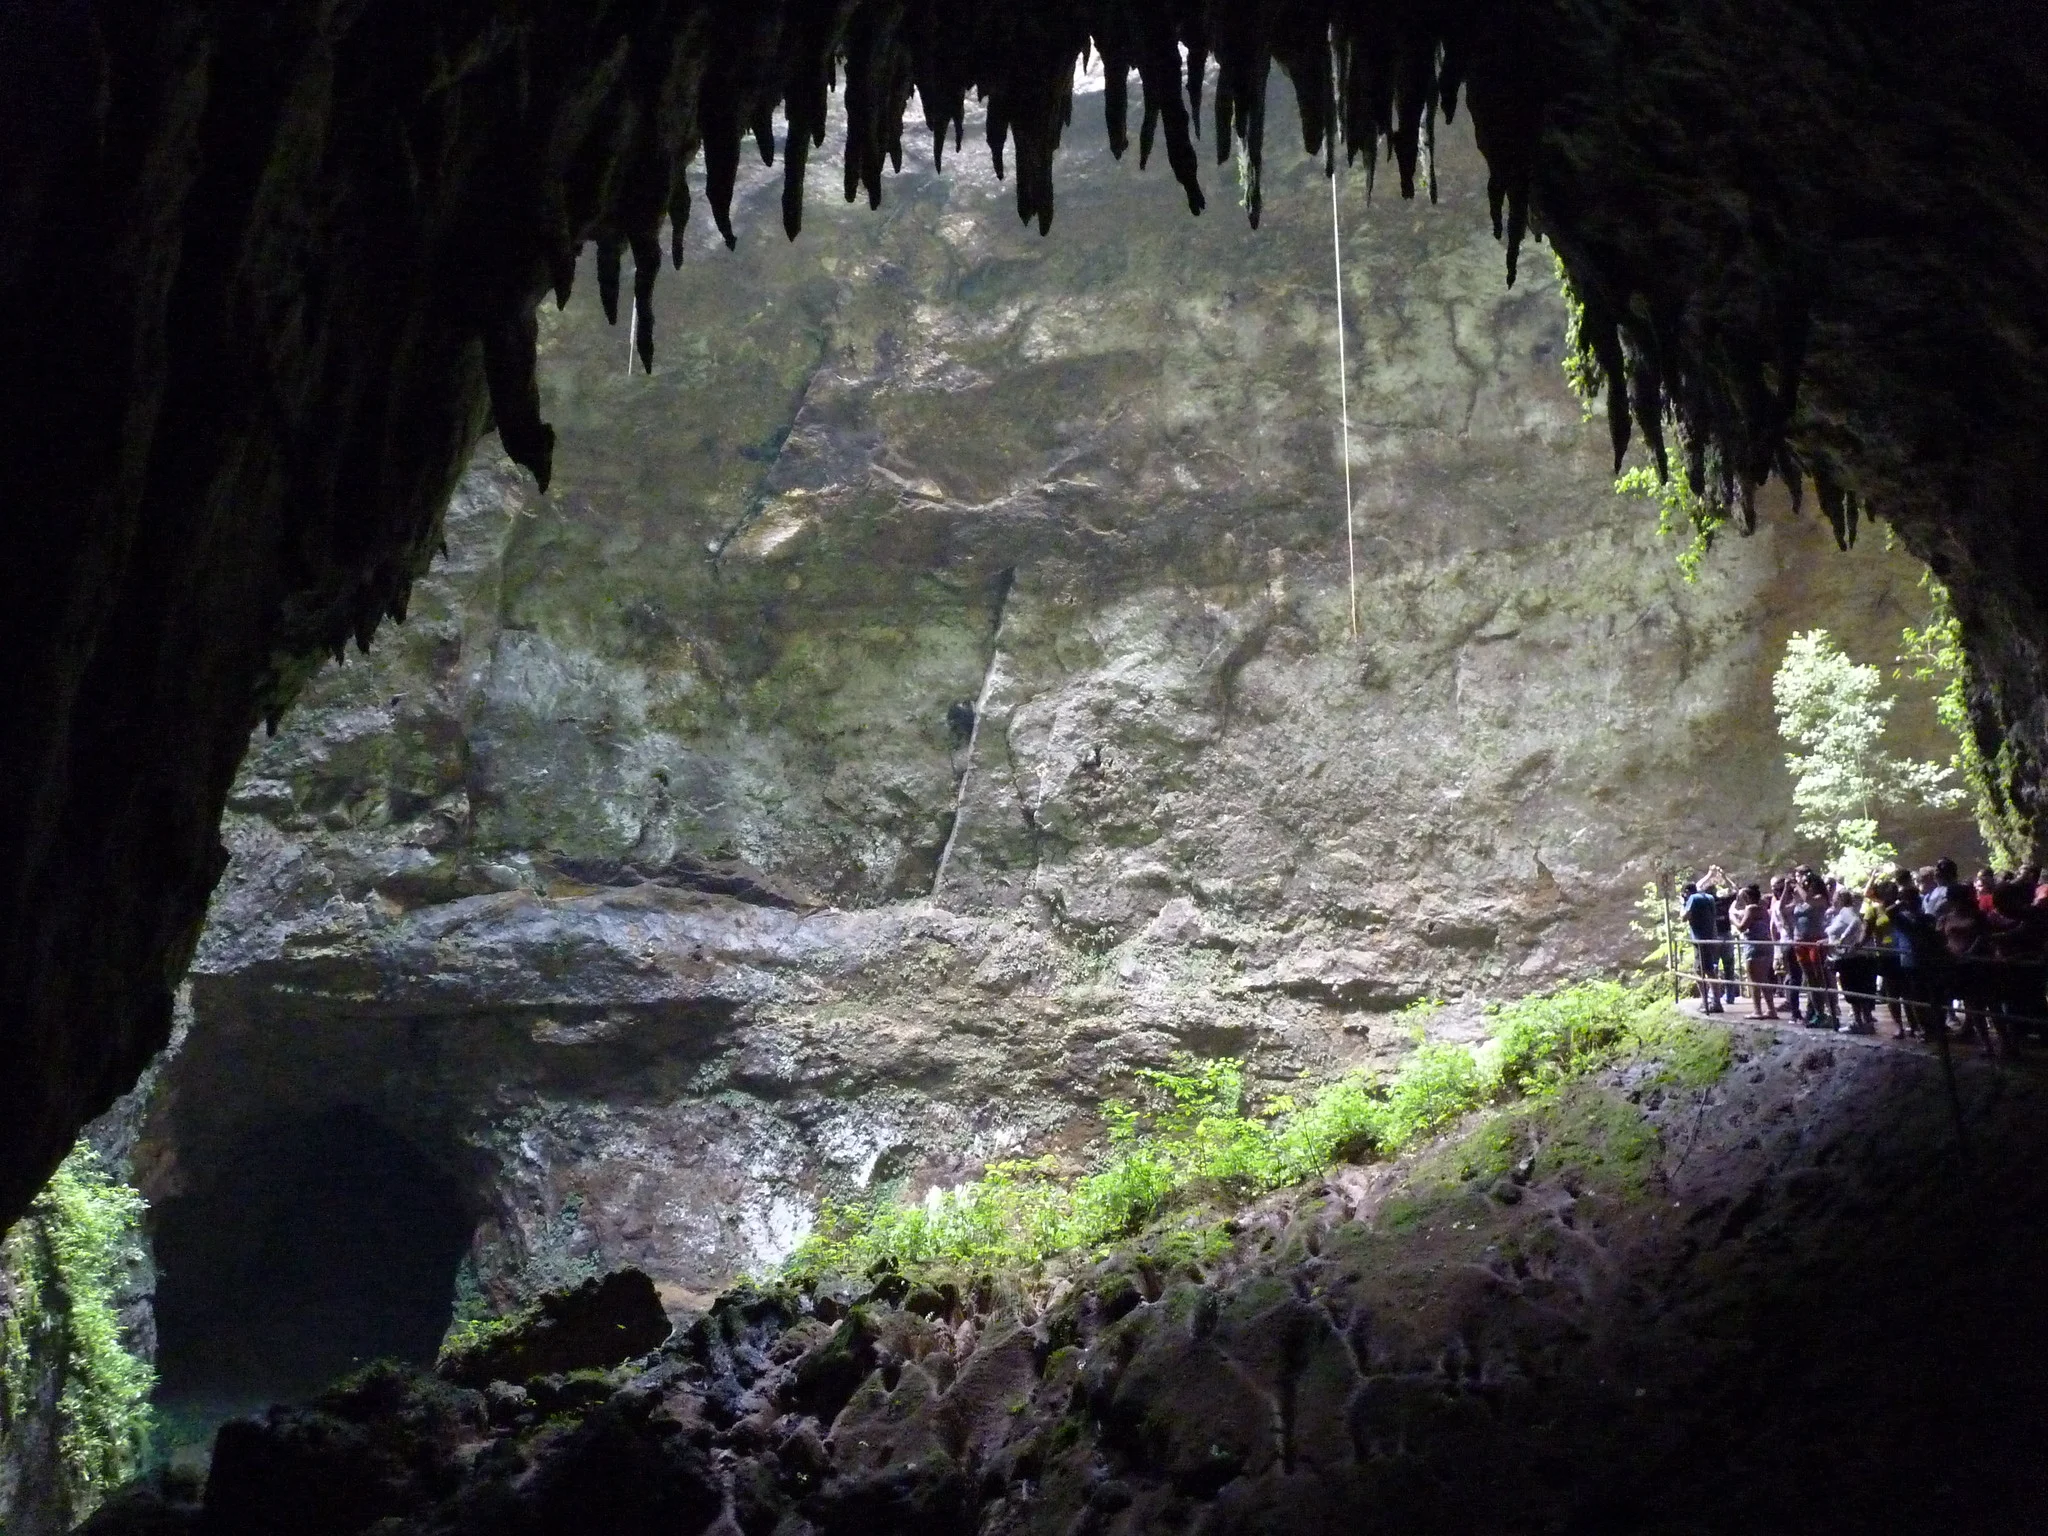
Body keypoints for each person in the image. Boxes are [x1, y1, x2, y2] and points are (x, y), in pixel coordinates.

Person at [1731, 883, 1779, 1019]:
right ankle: (1771, 1009)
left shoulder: (1751, 909)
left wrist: (1732, 918)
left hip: (1754, 946)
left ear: (1747, 897)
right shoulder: (1763, 908)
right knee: (1763, 979)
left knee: (1753, 979)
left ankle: (1757, 1010)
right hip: (1766, 945)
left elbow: (1742, 927)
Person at [1826, 889, 1871, 1034]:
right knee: (1852, 989)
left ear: (1838, 899)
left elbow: (1856, 922)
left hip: (1851, 958)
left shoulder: (1846, 911)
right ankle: (1861, 1021)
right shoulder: (1841, 913)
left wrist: (1842, 940)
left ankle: (1860, 1022)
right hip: (1845, 957)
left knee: (1854, 989)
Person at [1791, 877, 1831, 1026]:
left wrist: (1797, 885)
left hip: (1815, 940)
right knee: (1810, 980)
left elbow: (1809, 900)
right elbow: (1785, 910)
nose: (1805, 887)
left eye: (1808, 885)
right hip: (1800, 941)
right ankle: (1815, 1012)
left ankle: (1822, 1012)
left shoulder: (1820, 898)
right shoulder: (1801, 899)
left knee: (1818, 978)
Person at [1683, 880, 1724, 1014]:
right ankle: (1713, 1001)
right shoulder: (1709, 897)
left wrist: (1683, 904)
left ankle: (1708, 1002)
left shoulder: (1693, 898)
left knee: (1702, 971)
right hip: (1712, 937)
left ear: (1687, 892)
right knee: (1709, 969)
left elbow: (1684, 917)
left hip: (1700, 940)